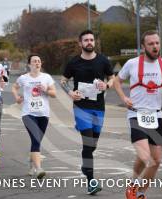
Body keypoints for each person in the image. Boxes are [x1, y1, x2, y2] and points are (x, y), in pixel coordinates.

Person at [114, 30, 162, 199]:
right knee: (144, 156)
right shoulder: (132, 64)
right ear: (143, 47)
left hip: (156, 116)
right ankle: (133, 185)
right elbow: (116, 81)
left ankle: (141, 192)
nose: (155, 46)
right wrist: (124, 97)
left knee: (156, 161)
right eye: (151, 44)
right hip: (136, 115)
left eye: (157, 43)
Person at [60, 30, 114, 195]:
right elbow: (63, 81)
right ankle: (91, 181)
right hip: (81, 107)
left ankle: (85, 166)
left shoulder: (103, 60)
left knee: (93, 144)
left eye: (91, 40)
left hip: (98, 108)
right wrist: (70, 93)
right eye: (86, 40)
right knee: (88, 143)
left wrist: (107, 85)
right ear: (80, 43)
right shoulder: (74, 62)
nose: (89, 42)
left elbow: (112, 77)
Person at [12, 54, 56, 179]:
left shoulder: (46, 77)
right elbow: (14, 88)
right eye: (34, 61)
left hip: (43, 114)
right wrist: (17, 98)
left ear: (41, 64)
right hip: (28, 113)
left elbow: (54, 94)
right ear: (29, 64)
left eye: (39, 61)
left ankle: (32, 163)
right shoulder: (23, 78)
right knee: (36, 139)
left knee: (36, 141)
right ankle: (39, 168)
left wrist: (45, 90)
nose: (37, 63)